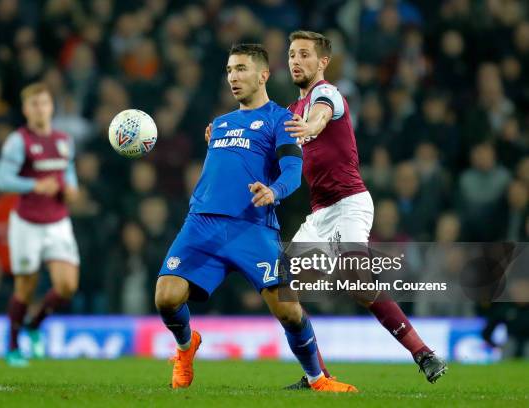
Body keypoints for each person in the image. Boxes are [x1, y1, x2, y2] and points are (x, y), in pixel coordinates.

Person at [156, 44, 356, 392]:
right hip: (202, 223)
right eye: (230, 69)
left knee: (289, 312)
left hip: (253, 226)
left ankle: (318, 379)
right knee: (166, 297)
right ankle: (186, 348)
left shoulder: (282, 120)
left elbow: (294, 170)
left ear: (263, 74)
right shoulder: (219, 124)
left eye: (242, 69)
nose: (233, 76)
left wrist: (273, 192)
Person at [283, 30, 447, 386]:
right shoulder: (292, 109)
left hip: (349, 203)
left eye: (305, 55)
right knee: (283, 289)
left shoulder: (326, 94)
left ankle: (424, 354)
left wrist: (310, 126)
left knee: (358, 279)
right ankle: (318, 377)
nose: (296, 60)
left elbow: (321, 117)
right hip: (320, 213)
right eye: (292, 54)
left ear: (322, 62)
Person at [0, 83, 80, 367]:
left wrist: (71, 188)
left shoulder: (63, 139)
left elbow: (68, 171)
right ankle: (13, 345)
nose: (40, 109)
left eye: (44, 103)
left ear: (51, 107)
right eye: (34, 104)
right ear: (25, 109)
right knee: (26, 287)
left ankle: (34, 324)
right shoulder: (19, 141)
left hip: (57, 220)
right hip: (27, 223)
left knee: (67, 285)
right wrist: (33, 184)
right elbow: (2, 179)